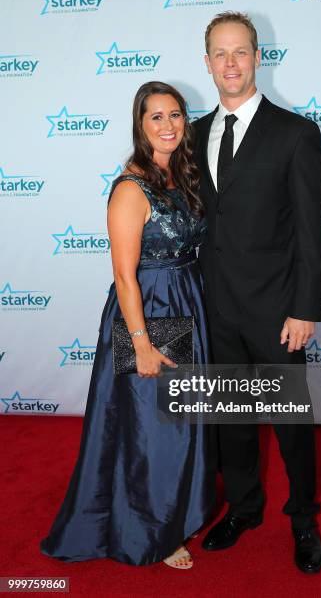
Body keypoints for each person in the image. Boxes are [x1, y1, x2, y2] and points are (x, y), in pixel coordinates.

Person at [40, 81, 215, 570]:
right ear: (140, 125)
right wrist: (140, 343)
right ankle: (152, 531)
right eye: (155, 117)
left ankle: (174, 513)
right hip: (150, 306)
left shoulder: (182, 174)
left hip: (187, 298)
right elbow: (123, 274)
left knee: (179, 419)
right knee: (153, 425)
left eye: (175, 115)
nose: (168, 125)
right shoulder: (131, 187)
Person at [193, 12, 321, 573]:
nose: (230, 63)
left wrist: (304, 308)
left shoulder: (295, 132)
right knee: (232, 422)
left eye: (240, 52)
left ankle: (302, 518)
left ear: (257, 56)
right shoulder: (194, 133)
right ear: (206, 62)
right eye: (219, 53)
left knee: (291, 423)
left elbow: (311, 230)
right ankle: (244, 508)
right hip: (214, 309)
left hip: (277, 311)